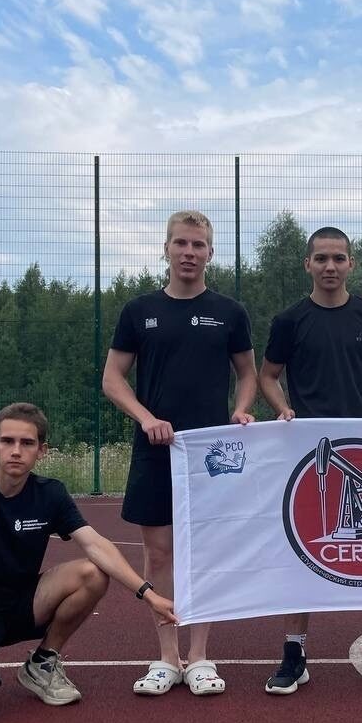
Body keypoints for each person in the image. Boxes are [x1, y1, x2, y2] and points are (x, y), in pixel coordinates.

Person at [0, 402, 177, 723]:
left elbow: (95, 544)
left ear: (42, 450)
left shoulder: (49, 494)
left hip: (21, 606)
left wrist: (149, 595)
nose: (16, 451)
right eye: (7, 441)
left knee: (93, 573)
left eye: (27, 443)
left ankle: (42, 663)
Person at [258, 226, 362, 694]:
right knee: (302, 549)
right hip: (307, 453)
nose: (330, 266)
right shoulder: (290, 320)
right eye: (322, 258)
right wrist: (282, 408)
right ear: (308, 264)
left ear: (351, 264)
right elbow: (268, 376)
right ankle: (294, 654)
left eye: (339, 258)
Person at [103, 210, 257, 697]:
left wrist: (240, 410)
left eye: (198, 245)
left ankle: (200, 657)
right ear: (166, 248)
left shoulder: (230, 312)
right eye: (181, 243)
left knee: (205, 552)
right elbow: (112, 379)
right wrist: (146, 417)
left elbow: (248, 373)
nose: (189, 252)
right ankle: (167, 658)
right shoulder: (139, 311)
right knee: (160, 553)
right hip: (155, 451)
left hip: (210, 455)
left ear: (210, 253)